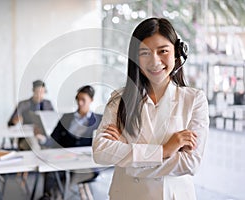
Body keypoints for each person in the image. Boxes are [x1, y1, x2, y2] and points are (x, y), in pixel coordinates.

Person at [92, 17, 209, 200]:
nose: (154, 61)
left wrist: (129, 160)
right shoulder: (119, 99)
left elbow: (190, 163)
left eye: (163, 51)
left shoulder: (194, 100)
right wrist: (164, 151)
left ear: (177, 53)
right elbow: (101, 151)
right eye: (144, 52)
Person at [40, 85, 102, 199]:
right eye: (78, 99)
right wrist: (42, 140)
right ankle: (50, 196)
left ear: (91, 100)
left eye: (83, 100)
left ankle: (53, 196)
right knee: (52, 171)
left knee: (64, 176)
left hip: (86, 163)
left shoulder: (100, 120)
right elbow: (54, 139)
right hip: (64, 159)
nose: (80, 103)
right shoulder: (66, 117)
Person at [8, 80, 54, 150]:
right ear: (33, 91)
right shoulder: (23, 104)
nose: (39, 94)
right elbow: (10, 123)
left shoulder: (48, 104)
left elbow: (53, 121)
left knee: (48, 147)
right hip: (28, 135)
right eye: (37, 92)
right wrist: (15, 121)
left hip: (43, 134)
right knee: (35, 147)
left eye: (42, 92)